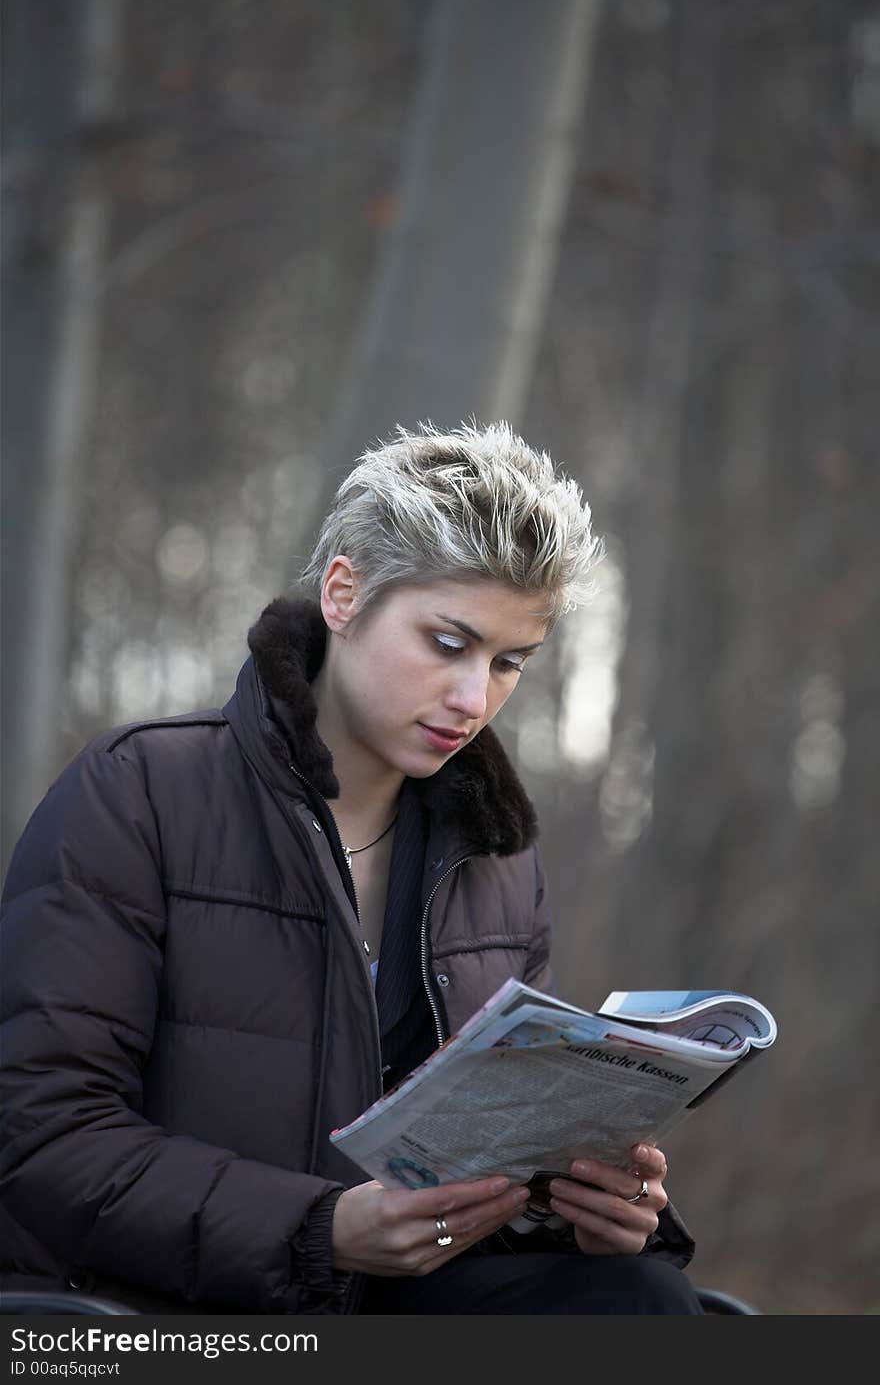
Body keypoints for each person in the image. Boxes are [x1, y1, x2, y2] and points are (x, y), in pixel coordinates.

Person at [0, 421, 702, 1314]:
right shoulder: (139, 792)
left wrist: (590, 1206)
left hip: (399, 1301)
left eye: (508, 662)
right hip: (155, 1306)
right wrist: (318, 1229)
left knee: (639, 1299)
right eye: (448, 643)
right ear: (344, 593)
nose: (473, 698)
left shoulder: (496, 856)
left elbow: (489, 1159)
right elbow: (41, 1136)